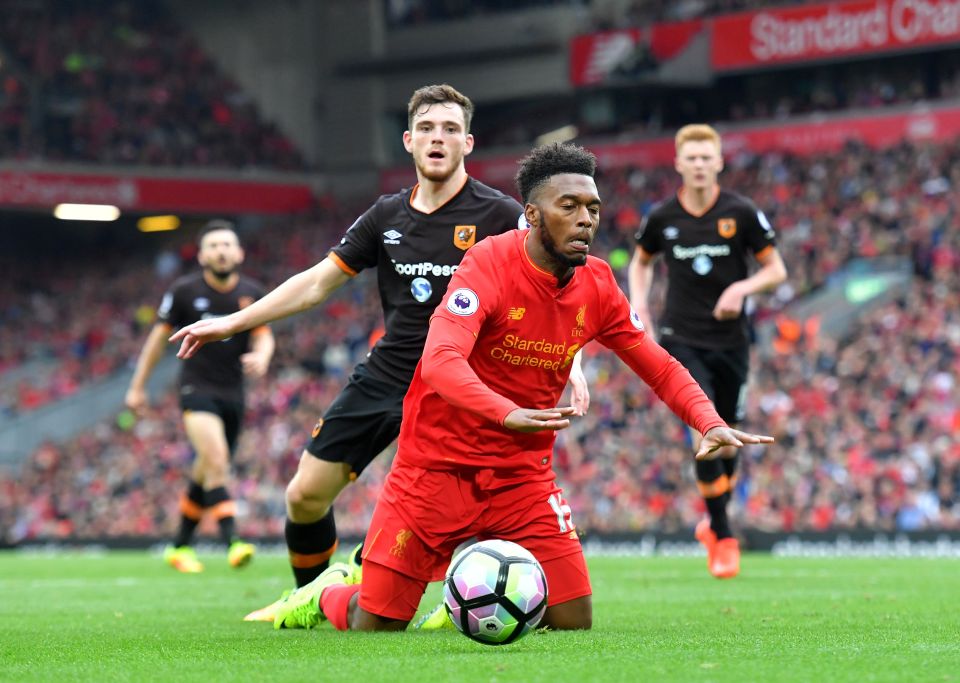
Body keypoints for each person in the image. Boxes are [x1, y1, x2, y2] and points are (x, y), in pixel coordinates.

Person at [268, 142, 774, 633]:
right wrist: (506, 412)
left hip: (521, 478)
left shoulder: (597, 284)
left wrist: (707, 420)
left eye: (593, 208)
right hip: (434, 472)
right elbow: (440, 361)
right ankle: (328, 592)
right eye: (569, 206)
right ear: (532, 214)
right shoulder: (487, 263)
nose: (586, 220)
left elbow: (659, 366)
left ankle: (461, 598)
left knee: (573, 619)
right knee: (374, 625)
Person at [168, 85, 590, 618]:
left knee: (464, 502)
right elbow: (317, 283)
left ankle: (461, 597)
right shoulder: (386, 216)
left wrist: (571, 362)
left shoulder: (501, 213)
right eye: (429, 130)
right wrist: (233, 322)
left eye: (451, 130)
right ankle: (312, 596)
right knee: (304, 496)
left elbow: (548, 290)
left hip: (466, 384)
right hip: (390, 375)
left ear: (468, 143)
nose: (439, 139)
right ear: (410, 142)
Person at [627, 124, 787, 579]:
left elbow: (777, 269)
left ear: (718, 162)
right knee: (707, 431)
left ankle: (713, 523)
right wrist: (640, 305)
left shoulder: (741, 212)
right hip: (680, 339)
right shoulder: (662, 216)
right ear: (678, 163)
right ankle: (723, 533)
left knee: (728, 437)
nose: (698, 165)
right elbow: (641, 261)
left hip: (732, 341)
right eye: (690, 158)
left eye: (705, 157)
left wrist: (743, 286)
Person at [125, 220, 275, 573]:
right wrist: (136, 386)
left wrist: (263, 355)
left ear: (239, 252)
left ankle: (178, 547)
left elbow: (265, 335)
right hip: (197, 389)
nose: (221, 251)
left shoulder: (253, 291)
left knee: (207, 467)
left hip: (234, 393)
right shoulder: (183, 291)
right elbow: (157, 340)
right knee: (216, 457)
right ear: (202, 254)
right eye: (213, 246)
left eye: (227, 245)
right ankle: (233, 541)